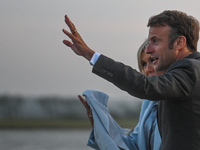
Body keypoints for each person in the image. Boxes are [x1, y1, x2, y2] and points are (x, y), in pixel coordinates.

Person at [62, 10, 200, 150]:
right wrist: (99, 122)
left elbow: (145, 86)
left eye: (155, 41)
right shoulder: (169, 88)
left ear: (179, 42)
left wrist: (90, 54)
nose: (148, 49)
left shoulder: (192, 69)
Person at [79, 39, 165, 150]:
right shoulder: (148, 102)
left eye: (153, 60)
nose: (148, 69)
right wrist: (100, 124)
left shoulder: (180, 97)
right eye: (143, 64)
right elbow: (136, 145)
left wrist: (91, 55)